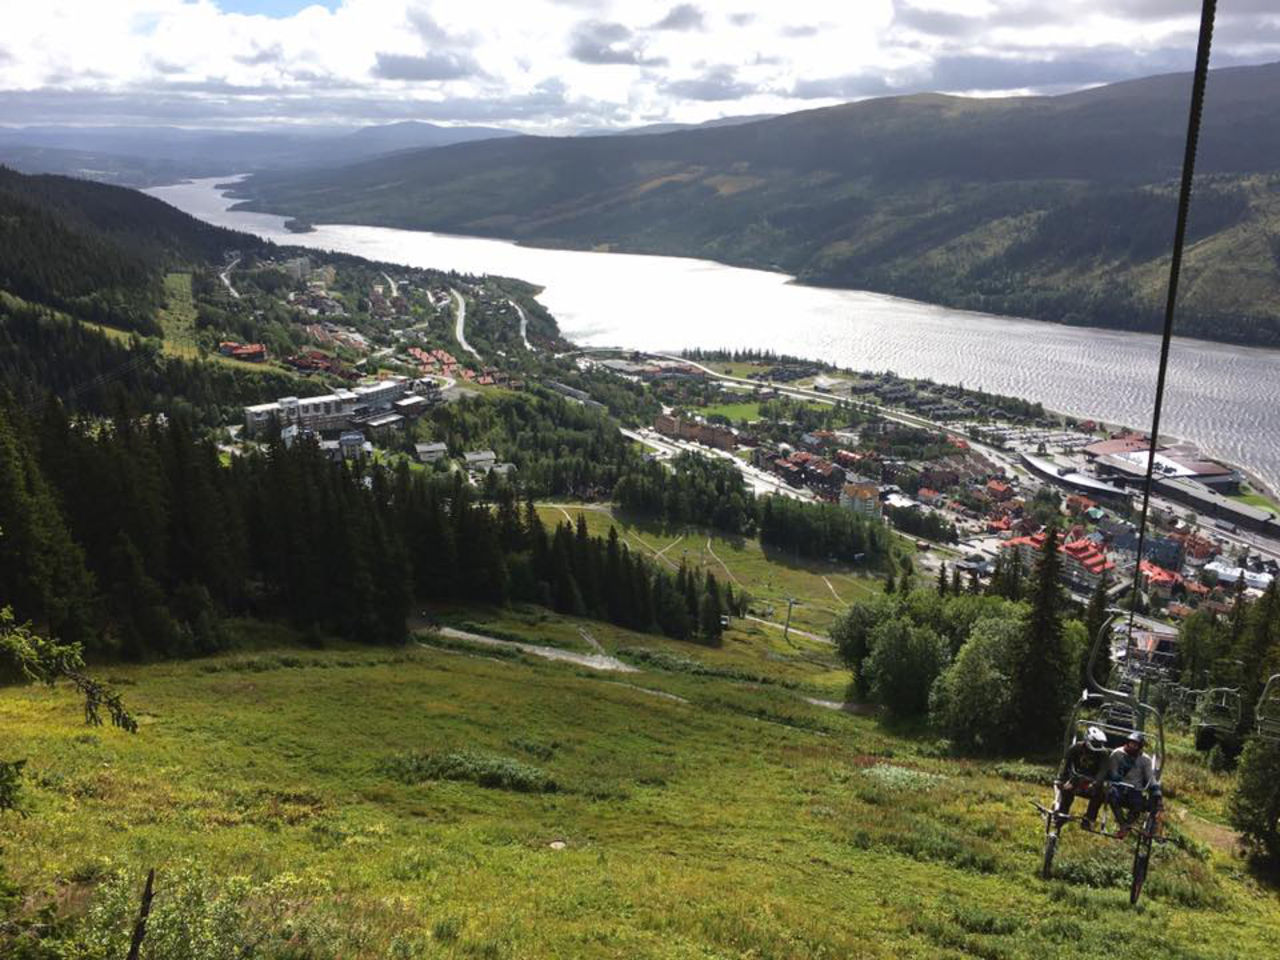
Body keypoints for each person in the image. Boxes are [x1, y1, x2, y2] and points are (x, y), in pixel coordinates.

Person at [1104, 730, 1162, 839]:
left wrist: (1156, 792)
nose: (1132, 747)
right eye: (1131, 744)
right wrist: (1116, 778)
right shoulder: (1117, 754)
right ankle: (1122, 823)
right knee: (1112, 796)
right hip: (1119, 786)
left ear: (1140, 747)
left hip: (1135, 789)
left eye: (1136, 745)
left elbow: (1150, 777)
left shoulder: (1145, 760)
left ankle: (1127, 824)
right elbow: (1112, 771)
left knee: (1139, 804)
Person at [1056, 725, 1109, 830]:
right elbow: (1065, 765)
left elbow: (1102, 772)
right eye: (1095, 743)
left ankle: (1089, 819)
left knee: (1100, 794)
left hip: (1092, 782)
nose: (1097, 746)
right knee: (1067, 790)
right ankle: (1062, 815)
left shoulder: (1103, 754)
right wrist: (1062, 780)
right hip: (1075, 778)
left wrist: (1095, 783)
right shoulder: (1075, 749)